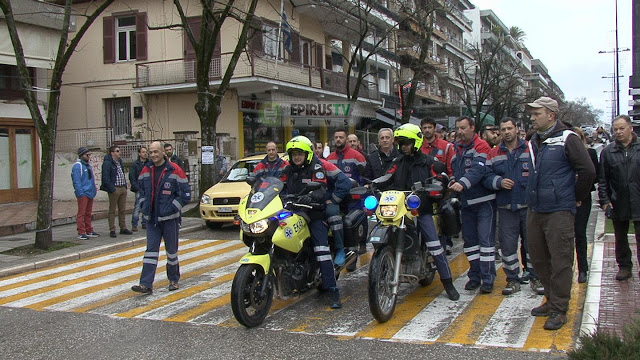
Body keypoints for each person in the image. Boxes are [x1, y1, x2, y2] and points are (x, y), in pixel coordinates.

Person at [526, 96, 595, 331]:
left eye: (537, 113)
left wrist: (574, 197)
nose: (532, 117)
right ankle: (551, 299)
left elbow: (587, 171)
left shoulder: (568, 138)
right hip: (536, 209)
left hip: (559, 211)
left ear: (551, 116)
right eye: (532, 113)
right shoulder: (534, 140)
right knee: (539, 259)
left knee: (561, 261)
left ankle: (559, 309)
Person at [375, 124, 460, 301]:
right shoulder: (397, 162)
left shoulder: (429, 162)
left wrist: (437, 186)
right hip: (400, 209)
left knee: (435, 245)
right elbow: (388, 176)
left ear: (416, 142)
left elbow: (442, 176)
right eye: (401, 143)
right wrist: (373, 184)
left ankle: (448, 283)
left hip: (421, 209)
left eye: (407, 143)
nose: (404, 146)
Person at [280, 136, 342, 308]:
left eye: (300, 153)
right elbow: (278, 185)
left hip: (313, 213)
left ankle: (333, 290)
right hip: (292, 212)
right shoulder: (288, 171)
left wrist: (311, 196)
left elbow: (321, 188)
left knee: (321, 249)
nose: (296, 157)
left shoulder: (316, 168)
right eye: (294, 154)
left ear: (307, 154)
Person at [483, 118, 543, 296]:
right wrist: (499, 182)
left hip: (528, 206)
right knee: (507, 247)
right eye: (503, 129)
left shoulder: (531, 149)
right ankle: (512, 279)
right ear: (499, 132)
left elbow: (540, 173)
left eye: (510, 128)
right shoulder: (494, 153)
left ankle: (535, 277)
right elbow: (486, 176)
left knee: (533, 244)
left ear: (517, 129)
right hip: (506, 206)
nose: (507, 132)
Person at [131, 141, 191, 294]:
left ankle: (173, 280)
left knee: (172, 252)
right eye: (150, 152)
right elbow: (141, 191)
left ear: (163, 152)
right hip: (152, 220)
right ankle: (145, 284)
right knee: (150, 252)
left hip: (170, 219)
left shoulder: (175, 170)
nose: (153, 155)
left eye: (156, 152)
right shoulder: (146, 170)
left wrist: (172, 208)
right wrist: (145, 206)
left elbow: (185, 195)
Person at [449, 116, 496, 294]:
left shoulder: (481, 146)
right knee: (470, 243)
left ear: (472, 128)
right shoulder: (457, 148)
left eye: (463, 128)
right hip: (466, 203)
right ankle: (475, 276)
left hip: (483, 202)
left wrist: (462, 183)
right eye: (458, 128)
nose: (460, 132)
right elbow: (454, 169)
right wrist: (453, 179)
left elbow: (478, 169)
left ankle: (488, 278)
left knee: (485, 242)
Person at [598, 115, 640, 282]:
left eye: (622, 128)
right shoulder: (608, 152)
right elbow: (603, 179)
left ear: (631, 128)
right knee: (620, 237)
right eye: (616, 129)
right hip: (618, 200)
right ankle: (624, 266)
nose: (619, 132)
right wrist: (605, 201)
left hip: (638, 199)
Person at [327, 129, 367, 254]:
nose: (338, 139)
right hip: (337, 197)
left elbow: (364, 176)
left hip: (353, 198)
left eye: (341, 137)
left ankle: (359, 246)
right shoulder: (330, 158)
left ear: (346, 140)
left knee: (354, 223)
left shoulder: (357, 156)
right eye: (336, 137)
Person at [420, 117, 454, 254]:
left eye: (429, 127)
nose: (427, 130)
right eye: (424, 128)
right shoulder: (418, 146)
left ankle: (443, 248)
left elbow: (451, 168)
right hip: (422, 191)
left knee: (442, 220)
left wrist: (450, 184)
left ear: (435, 129)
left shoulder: (446, 147)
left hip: (441, 191)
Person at [573, 127, 599, 284]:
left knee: (580, 232)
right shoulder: (564, 155)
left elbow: (594, 175)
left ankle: (583, 268)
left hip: (583, 198)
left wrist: (581, 190)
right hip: (565, 198)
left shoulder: (590, 153)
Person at [101, 145, 132, 238]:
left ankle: (123, 227)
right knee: (112, 210)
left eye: (119, 151)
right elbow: (105, 177)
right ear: (112, 153)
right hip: (114, 188)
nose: (120, 153)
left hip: (122, 187)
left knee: (122, 209)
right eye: (117, 151)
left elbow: (121, 173)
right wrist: (112, 189)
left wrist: (125, 186)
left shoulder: (120, 162)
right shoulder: (107, 163)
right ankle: (112, 229)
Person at [71, 147, 99, 240]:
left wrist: (93, 190)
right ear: (82, 155)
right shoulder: (77, 166)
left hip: (90, 192)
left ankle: (89, 230)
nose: (89, 157)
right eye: (87, 155)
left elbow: (91, 179)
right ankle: (81, 231)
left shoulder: (88, 165)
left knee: (88, 213)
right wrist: (80, 193)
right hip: (83, 193)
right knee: (81, 213)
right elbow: (77, 181)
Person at [129, 146, 149, 231]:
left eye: (146, 152)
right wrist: (136, 187)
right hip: (139, 188)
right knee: (137, 206)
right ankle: (134, 223)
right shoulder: (135, 164)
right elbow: (132, 177)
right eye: (143, 152)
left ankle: (145, 222)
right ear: (139, 153)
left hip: (147, 188)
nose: (145, 154)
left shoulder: (149, 163)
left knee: (146, 206)